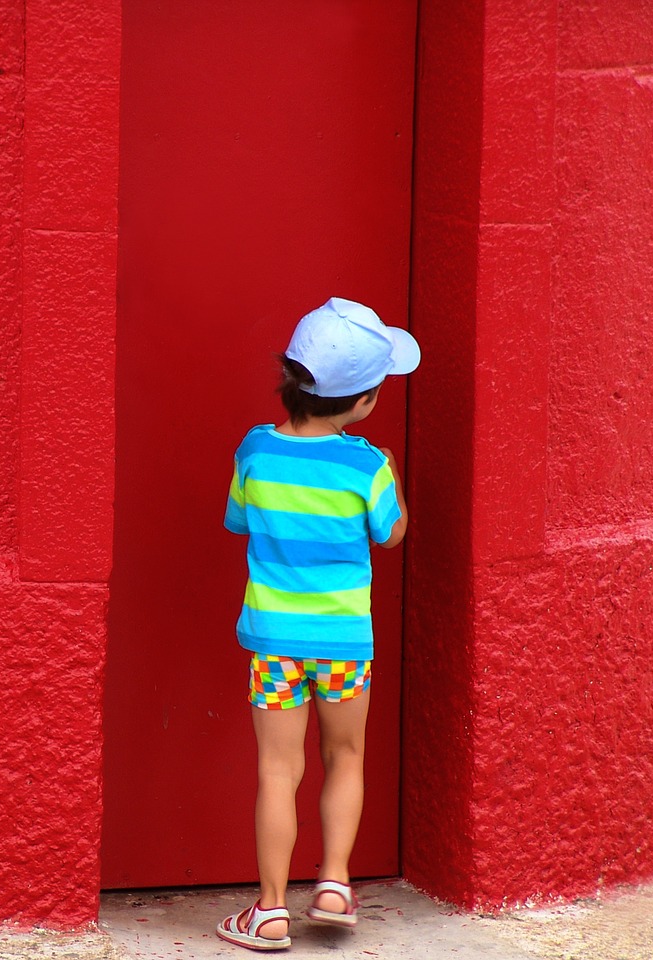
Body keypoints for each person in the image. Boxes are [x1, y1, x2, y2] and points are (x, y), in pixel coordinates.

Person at [215, 297, 420, 951]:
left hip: (276, 646)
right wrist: (392, 475)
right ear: (362, 403)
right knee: (346, 756)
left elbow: (238, 520)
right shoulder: (366, 466)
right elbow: (392, 534)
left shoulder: (256, 451)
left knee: (279, 770)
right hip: (344, 646)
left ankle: (269, 910)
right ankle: (334, 882)